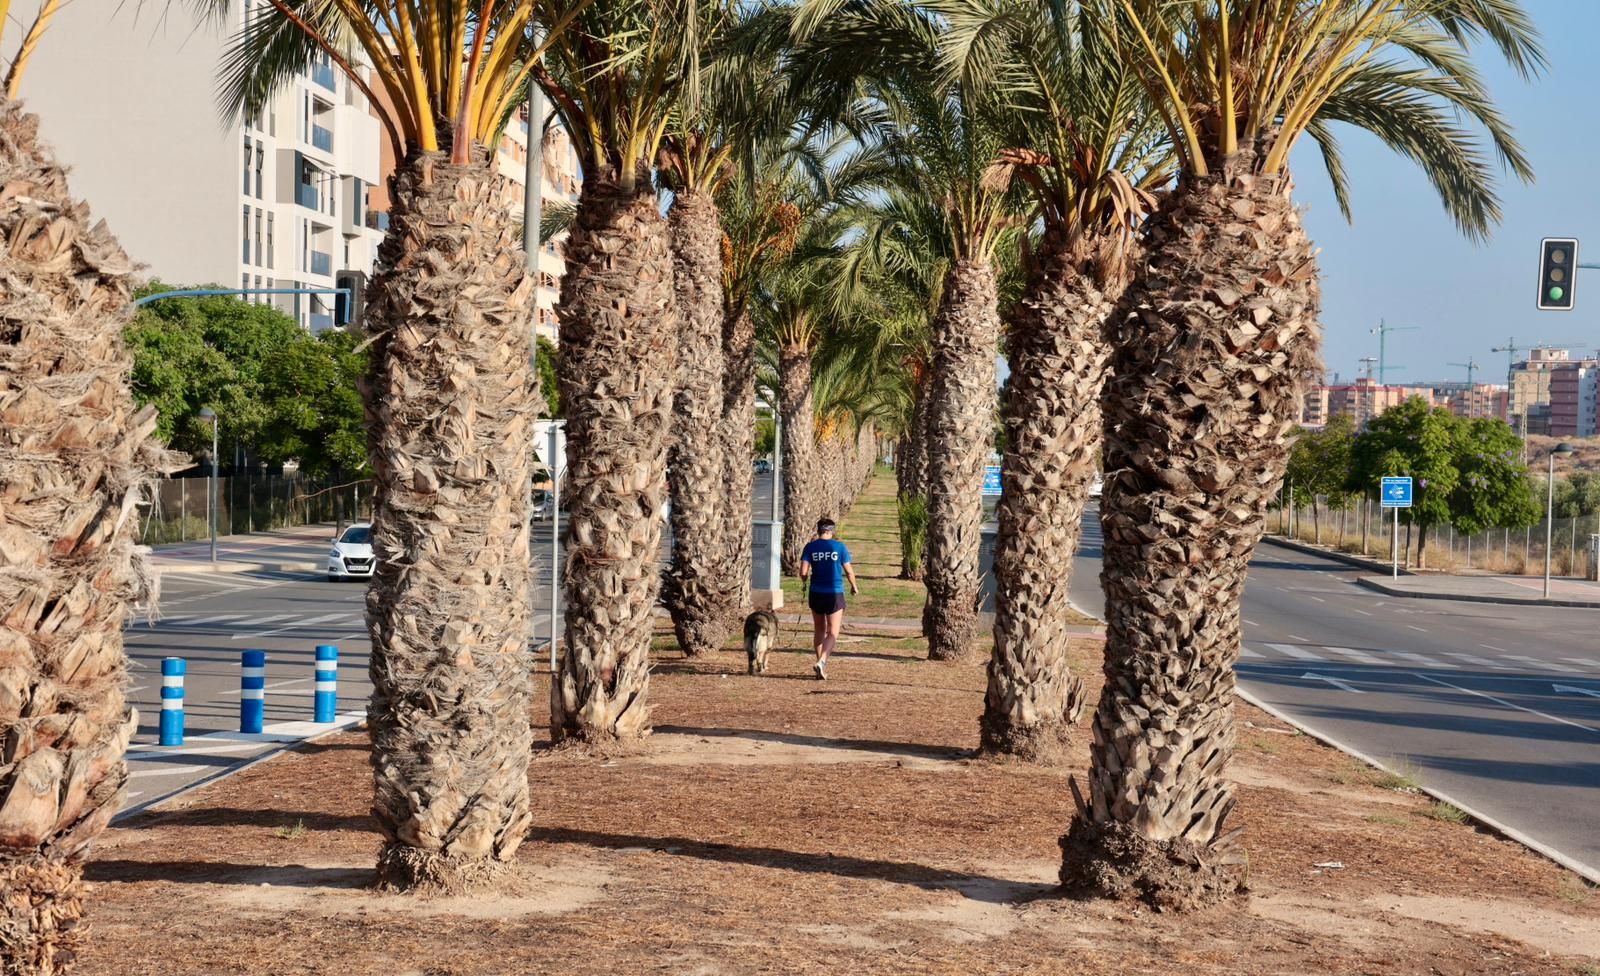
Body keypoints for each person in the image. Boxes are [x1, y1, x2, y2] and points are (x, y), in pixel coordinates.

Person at [799, 517, 858, 680]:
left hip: (816, 592)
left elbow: (803, 572)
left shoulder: (810, 547)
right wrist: (854, 586)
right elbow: (848, 570)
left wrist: (804, 580)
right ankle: (822, 661)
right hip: (835, 592)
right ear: (831, 531)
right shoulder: (839, 547)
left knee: (819, 629)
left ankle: (820, 665)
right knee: (832, 632)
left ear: (818, 530)